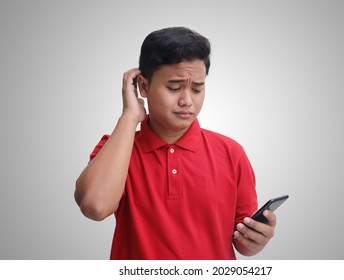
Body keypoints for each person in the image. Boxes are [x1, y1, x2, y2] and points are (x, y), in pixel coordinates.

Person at [75, 26, 276, 260]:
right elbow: (95, 207)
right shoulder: (117, 148)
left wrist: (257, 239)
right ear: (143, 86)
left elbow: (244, 244)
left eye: (197, 89)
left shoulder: (231, 152)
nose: (187, 101)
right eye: (174, 87)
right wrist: (129, 117)